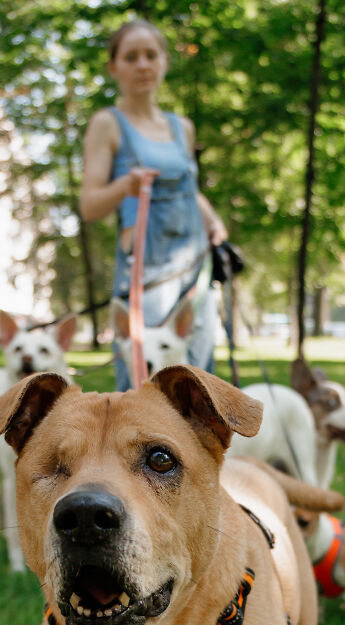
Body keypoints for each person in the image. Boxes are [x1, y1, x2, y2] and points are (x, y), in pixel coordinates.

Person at [80, 18, 227, 390]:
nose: (143, 65)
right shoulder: (107, 124)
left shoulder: (182, 127)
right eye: (131, 57)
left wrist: (214, 224)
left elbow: (190, 190)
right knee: (144, 383)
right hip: (148, 274)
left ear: (163, 61)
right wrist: (123, 187)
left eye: (151, 55)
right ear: (114, 67)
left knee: (198, 380)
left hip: (194, 267)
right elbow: (90, 206)